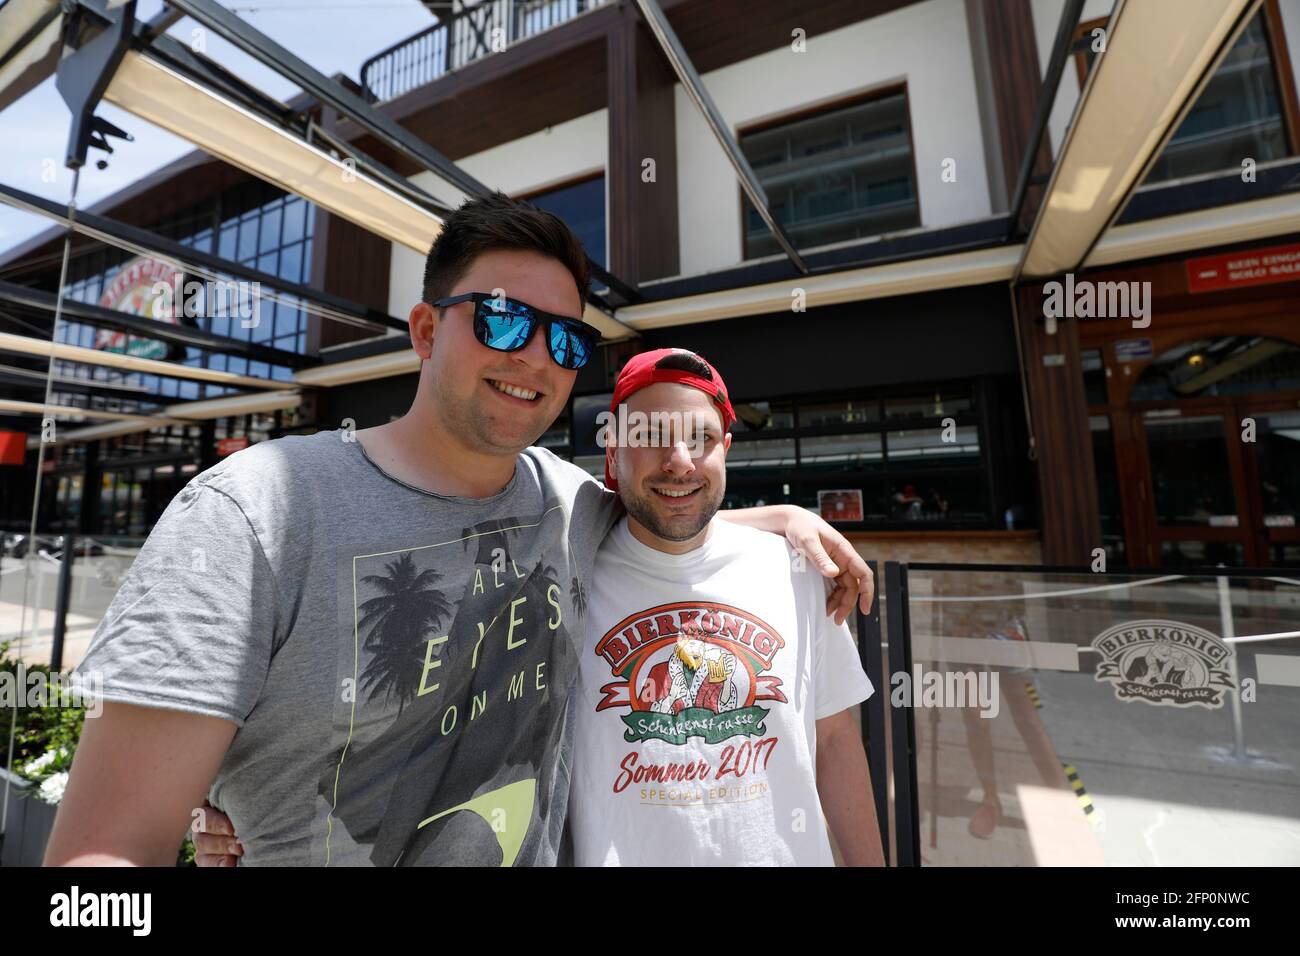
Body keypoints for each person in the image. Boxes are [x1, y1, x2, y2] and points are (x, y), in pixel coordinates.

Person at [44, 193, 873, 867]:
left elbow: (667, 503)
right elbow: (101, 860)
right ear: (427, 330)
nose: (537, 356)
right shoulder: (251, 513)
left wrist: (786, 520)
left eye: (566, 338)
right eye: (504, 320)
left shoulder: (566, 499)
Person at [193, 349, 885, 866]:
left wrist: (789, 519)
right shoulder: (562, 558)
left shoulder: (798, 571)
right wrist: (247, 796)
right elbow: (414, 708)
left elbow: (836, 745)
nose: (676, 459)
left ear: (725, 448)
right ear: (612, 453)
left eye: (698, 438)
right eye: (647, 437)